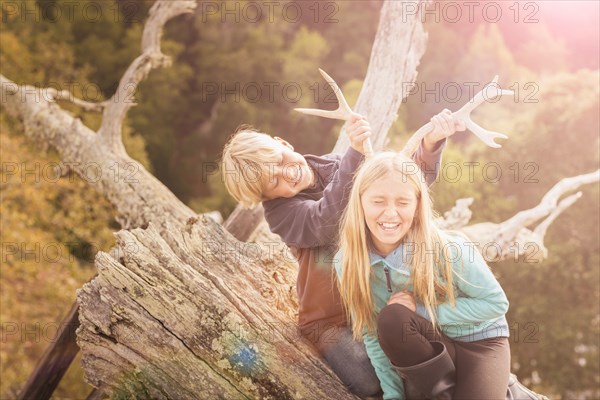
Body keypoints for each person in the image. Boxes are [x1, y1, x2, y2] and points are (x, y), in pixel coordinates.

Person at [221, 111, 460, 398]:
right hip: (331, 320)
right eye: (274, 182)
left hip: (374, 298)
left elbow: (403, 188)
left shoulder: (338, 165)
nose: (287, 173)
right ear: (266, 197)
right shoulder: (282, 215)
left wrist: (430, 145)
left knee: (432, 343)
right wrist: (355, 155)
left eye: (279, 161)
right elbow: (326, 221)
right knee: (369, 379)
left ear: (283, 143)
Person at [334, 151, 526, 399]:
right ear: (360, 202)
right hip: (433, 344)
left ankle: (510, 390)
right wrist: (393, 396)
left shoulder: (451, 248)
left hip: (481, 343)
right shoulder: (347, 261)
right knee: (391, 319)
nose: (390, 213)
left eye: (402, 202)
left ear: (417, 206)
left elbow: (496, 303)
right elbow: (373, 334)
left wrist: (421, 311)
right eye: (378, 201)